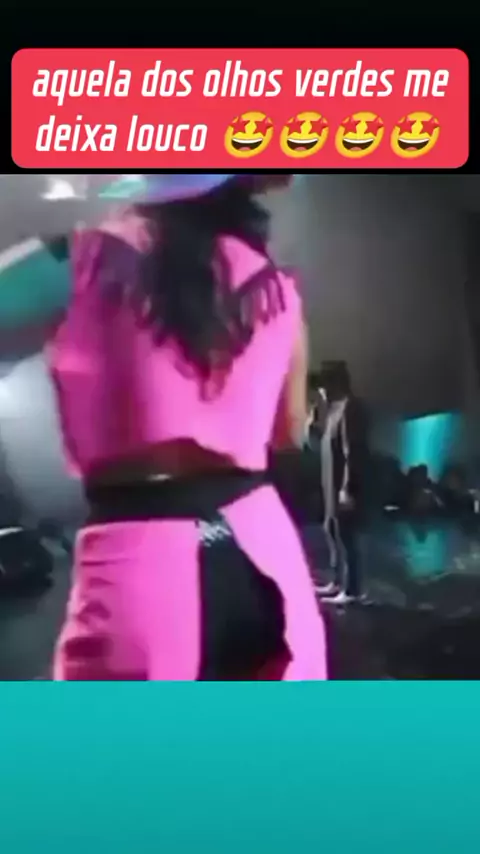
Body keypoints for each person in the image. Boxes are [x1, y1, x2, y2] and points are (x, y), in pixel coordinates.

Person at [0, 173, 327, 680]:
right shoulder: (277, 287)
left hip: (142, 558)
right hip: (261, 552)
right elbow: (290, 431)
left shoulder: (85, 255)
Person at [308, 361, 368, 605]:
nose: (322, 391)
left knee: (346, 536)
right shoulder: (332, 411)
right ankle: (337, 580)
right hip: (330, 486)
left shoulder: (351, 409)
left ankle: (353, 589)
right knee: (332, 531)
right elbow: (320, 445)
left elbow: (352, 452)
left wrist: (347, 487)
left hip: (342, 486)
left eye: (326, 385)